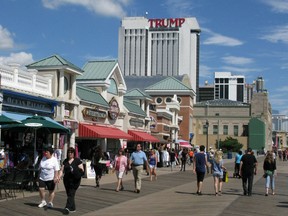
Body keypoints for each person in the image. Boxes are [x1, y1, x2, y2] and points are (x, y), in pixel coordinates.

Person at [59, 147, 84, 213]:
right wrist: (58, 177)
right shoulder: (65, 161)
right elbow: (62, 170)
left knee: (71, 193)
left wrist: (75, 171)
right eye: (69, 152)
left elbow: (82, 170)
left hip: (75, 180)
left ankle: (67, 208)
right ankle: (73, 208)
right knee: (69, 194)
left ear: (74, 153)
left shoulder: (77, 160)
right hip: (67, 180)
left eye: (71, 152)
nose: (70, 154)